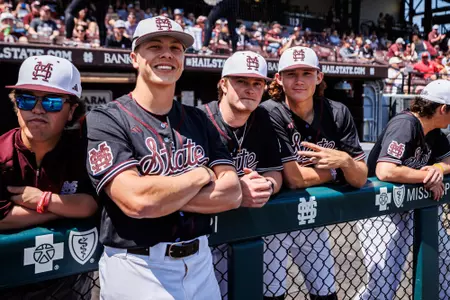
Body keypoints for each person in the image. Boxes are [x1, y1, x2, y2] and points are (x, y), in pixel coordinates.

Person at [85, 16, 242, 300]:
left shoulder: (199, 119)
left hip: (200, 261)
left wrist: (160, 195)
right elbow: (138, 201)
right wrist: (201, 175)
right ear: (134, 57)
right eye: (154, 46)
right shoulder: (106, 119)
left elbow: (231, 193)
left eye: (176, 47)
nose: (167, 53)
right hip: (138, 265)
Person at [261, 46, 368, 300]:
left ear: (319, 77)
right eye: (291, 74)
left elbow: (361, 177)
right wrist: (338, 169)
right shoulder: (269, 112)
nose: (299, 80)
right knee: (272, 295)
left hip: (312, 219)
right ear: (279, 79)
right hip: (274, 219)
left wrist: (345, 160)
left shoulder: (337, 112)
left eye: (307, 73)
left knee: (326, 294)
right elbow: (293, 178)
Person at [0, 55, 97, 299]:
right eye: (26, 99)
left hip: (70, 282)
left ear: (72, 110)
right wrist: (59, 207)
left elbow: (92, 204)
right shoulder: (1, 151)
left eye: (52, 102)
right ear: (15, 105)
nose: (37, 109)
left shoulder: (83, 152)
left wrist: (41, 199)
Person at [199, 51, 283, 299]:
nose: (250, 89)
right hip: (203, 235)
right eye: (241, 81)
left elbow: (275, 172)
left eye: (257, 83)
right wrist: (236, 190)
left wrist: (265, 185)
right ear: (223, 84)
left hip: (246, 229)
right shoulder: (198, 120)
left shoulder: (263, 119)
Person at [357, 79, 450, 300]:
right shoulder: (405, 124)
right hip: (380, 212)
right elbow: (385, 171)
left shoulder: (435, 132)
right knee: (384, 282)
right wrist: (426, 176)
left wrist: (436, 168)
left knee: (444, 258)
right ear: (443, 108)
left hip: (409, 207)